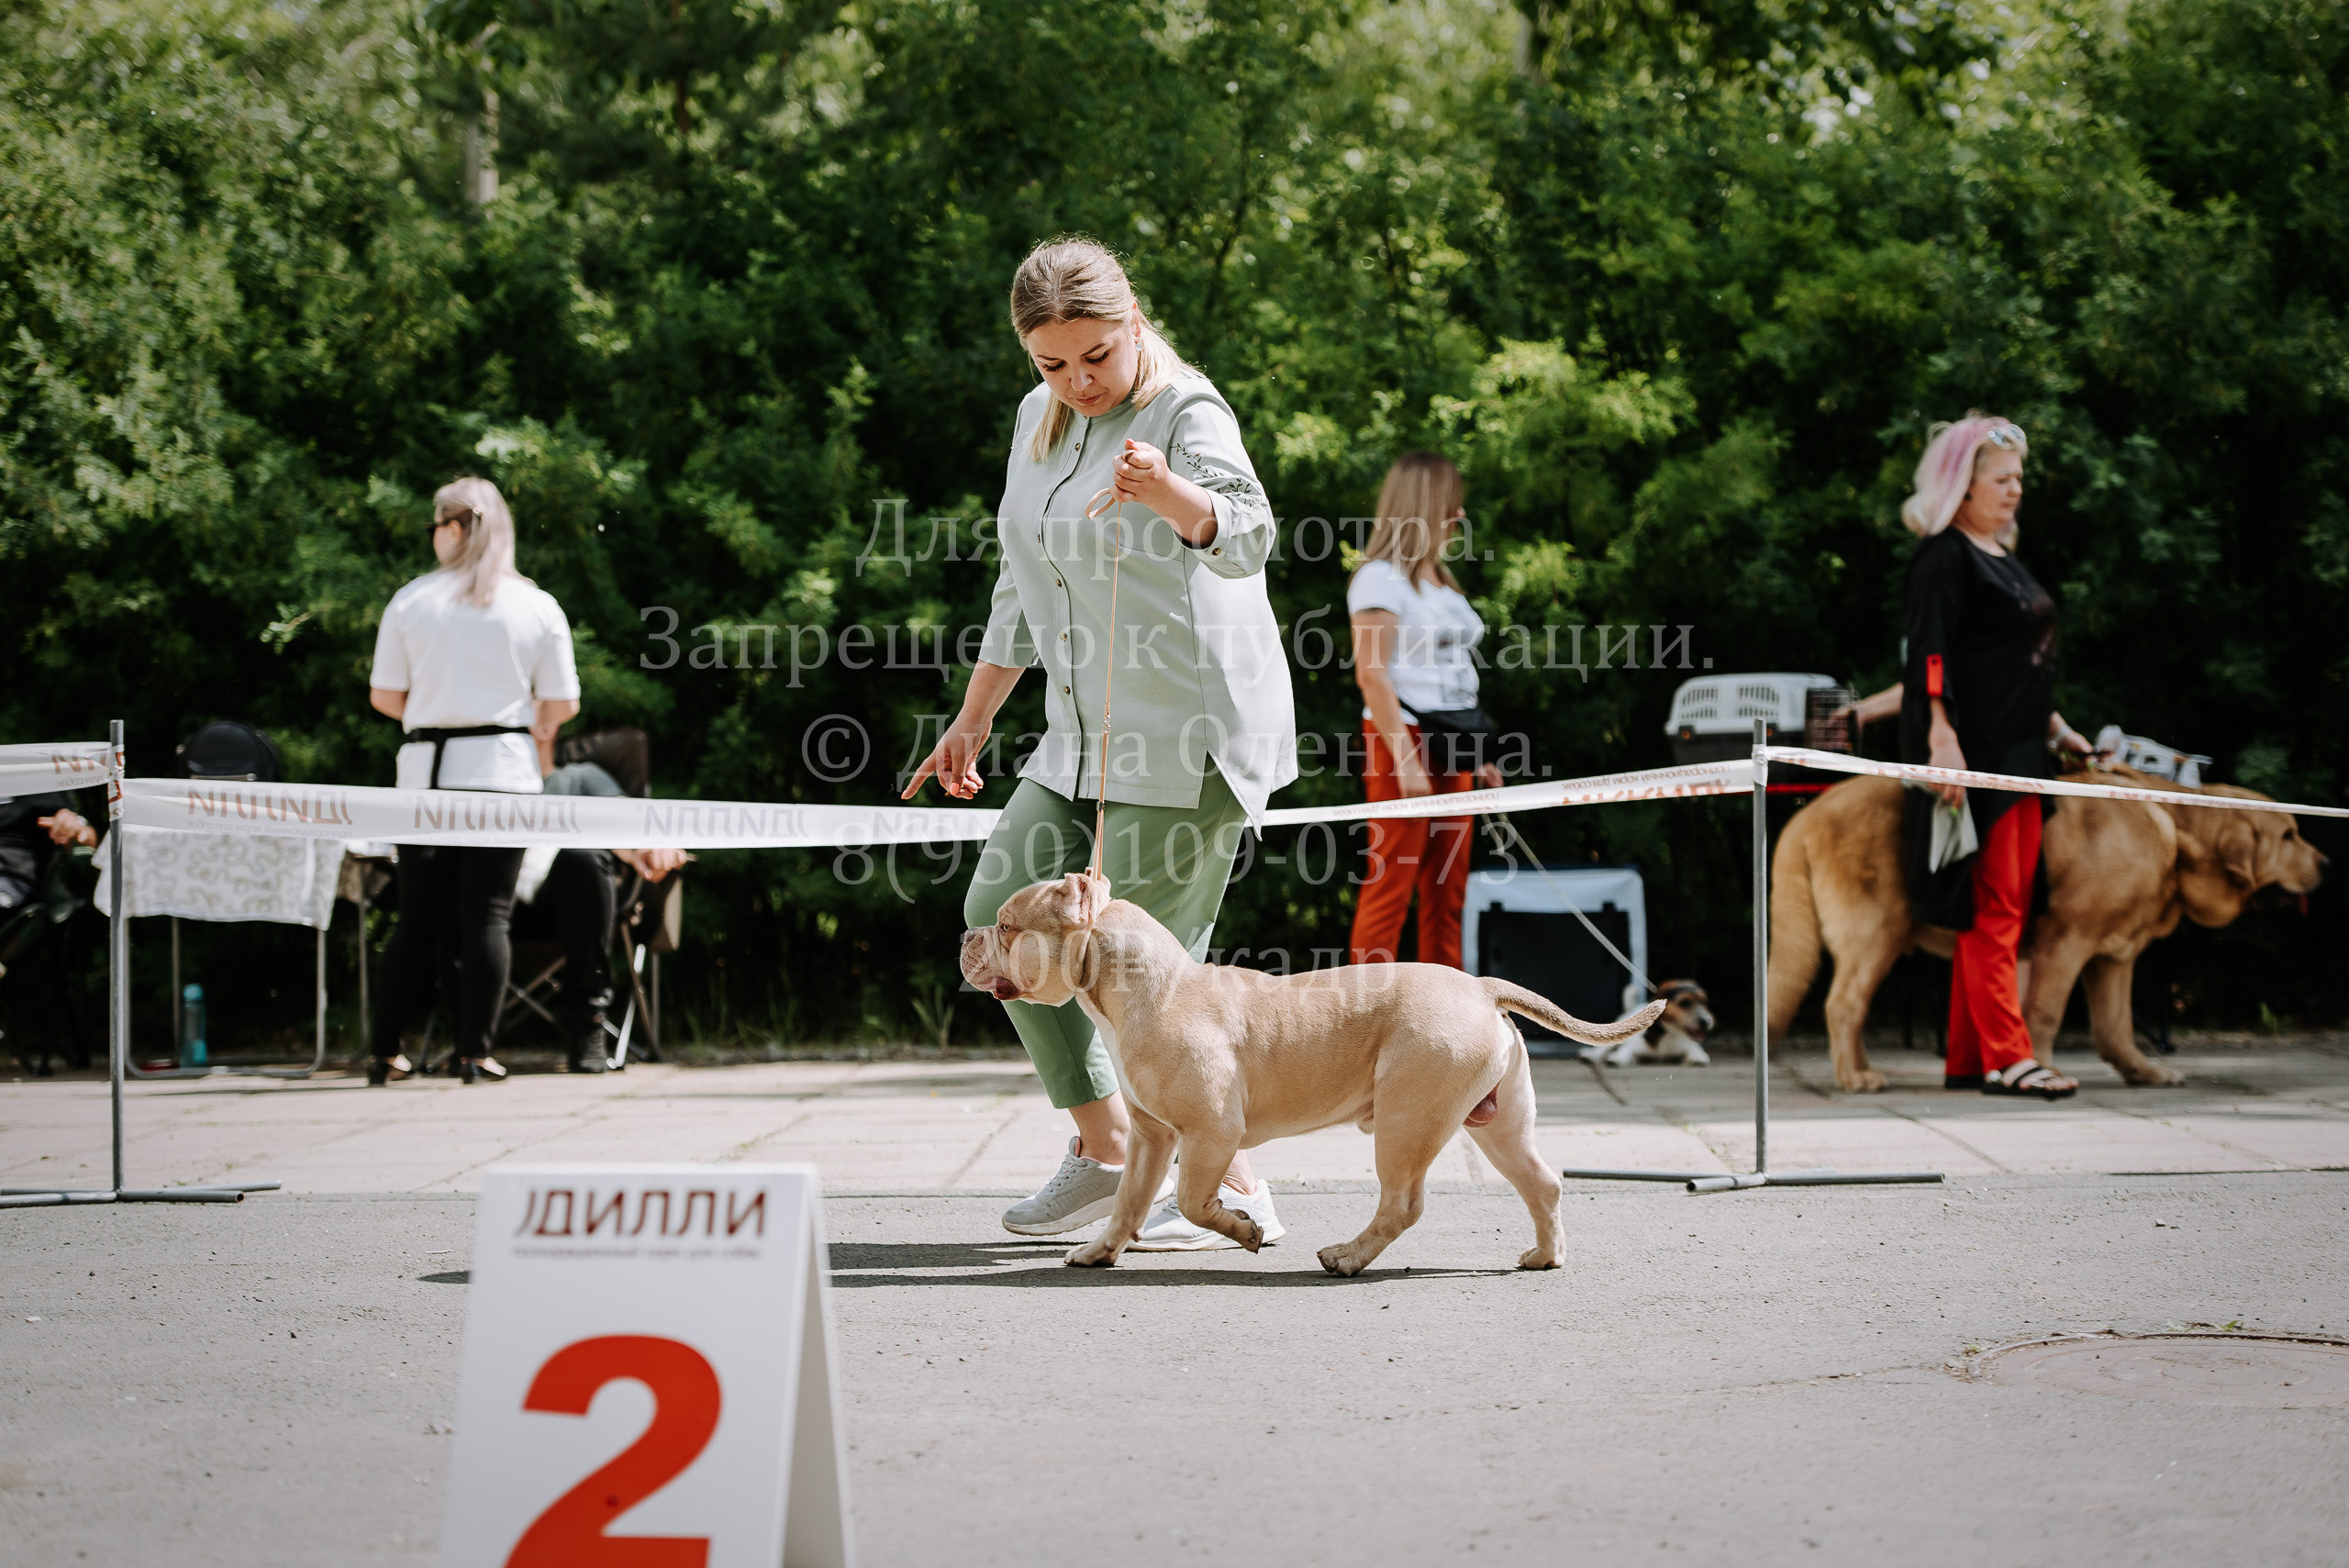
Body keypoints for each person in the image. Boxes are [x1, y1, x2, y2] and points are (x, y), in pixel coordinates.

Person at [902, 237, 1297, 1249]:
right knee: (997, 918)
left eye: (1096, 356)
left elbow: (1251, 534)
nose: (1077, 381)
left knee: (1154, 990)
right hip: (1077, 740)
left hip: (1189, 739)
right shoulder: (1038, 421)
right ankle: (1104, 1148)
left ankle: (1238, 1183)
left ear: (1132, 326)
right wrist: (975, 713)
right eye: (1052, 362)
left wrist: (1168, 490)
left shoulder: (1188, 410)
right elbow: (1018, 581)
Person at [1898, 414, 2092, 1098]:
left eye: (2019, 478)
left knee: (2004, 905)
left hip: (2024, 751)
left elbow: (2014, 664)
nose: (2015, 490)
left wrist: (2057, 726)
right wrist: (1941, 735)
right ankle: (2010, 1056)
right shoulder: (1944, 554)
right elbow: (1930, 650)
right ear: (1964, 484)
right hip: (1978, 756)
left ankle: (1968, 1056)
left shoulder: (2001, 555)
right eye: (2001, 479)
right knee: (1994, 908)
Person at [366, 478, 579, 1085]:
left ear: (455, 528)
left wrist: (435, 706)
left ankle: (385, 1050)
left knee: (416, 918)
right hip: (504, 774)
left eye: (437, 525)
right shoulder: (537, 606)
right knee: (489, 915)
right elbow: (561, 703)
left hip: (427, 777)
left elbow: (385, 696)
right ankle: (474, 1052)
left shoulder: (412, 601)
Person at [1345, 452, 1504, 968]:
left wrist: (1478, 754)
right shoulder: (1379, 579)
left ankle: (1450, 1026)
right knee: (1393, 884)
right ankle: (1362, 1021)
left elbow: (1453, 678)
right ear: (1425, 507)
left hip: (1453, 742)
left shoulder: (1441, 581)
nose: (1459, 517)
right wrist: (1407, 763)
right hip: (1402, 740)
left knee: (1448, 893)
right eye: (1450, 506)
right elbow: (1371, 675)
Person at [510, 757, 688, 1072]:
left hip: (564, 909)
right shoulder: (476, 778)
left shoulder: (580, 779)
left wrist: (646, 848)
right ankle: (468, 1042)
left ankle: (588, 1019)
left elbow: (626, 825)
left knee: (583, 859)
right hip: (493, 904)